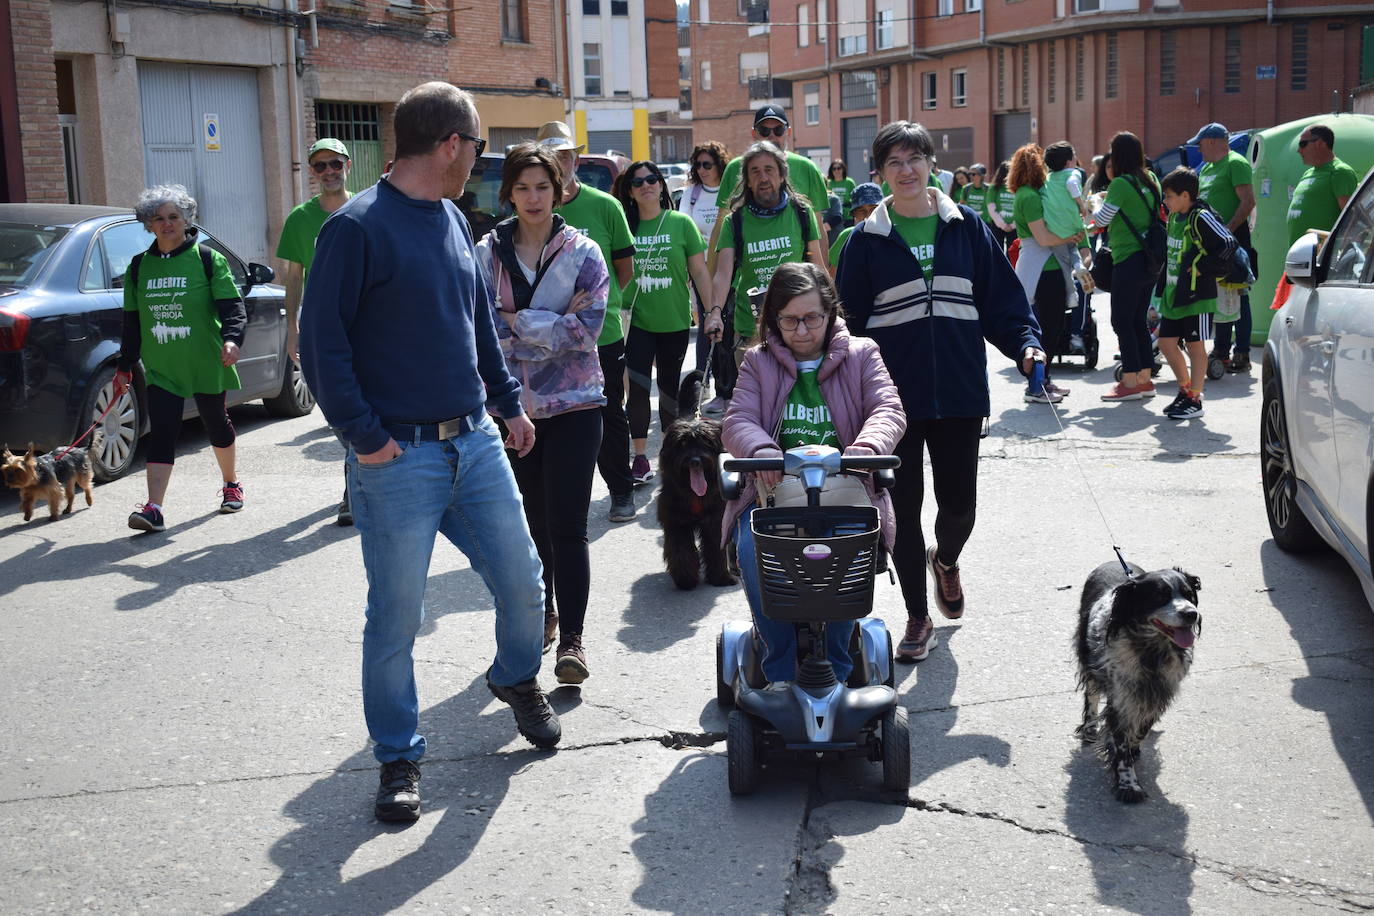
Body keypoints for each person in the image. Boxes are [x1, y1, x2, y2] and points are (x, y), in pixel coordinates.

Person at [299, 82, 561, 823]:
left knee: (521, 583)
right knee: (396, 618)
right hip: (397, 459)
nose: (480, 160)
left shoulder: (450, 218)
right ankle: (399, 757)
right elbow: (321, 347)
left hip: (473, 444)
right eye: (477, 146)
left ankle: (515, 677)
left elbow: (476, 323)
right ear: (451, 144)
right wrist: (365, 435)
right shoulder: (354, 229)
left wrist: (507, 405)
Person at [836, 121, 1046, 663]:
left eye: (914, 159)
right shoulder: (864, 242)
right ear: (879, 173)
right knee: (902, 512)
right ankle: (916, 615)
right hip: (890, 402)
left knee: (960, 507)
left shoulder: (966, 227)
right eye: (894, 163)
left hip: (957, 391)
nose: (906, 171)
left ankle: (945, 561)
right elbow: (849, 324)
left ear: (931, 163)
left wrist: (1027, 346)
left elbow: (1002, 300)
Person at [720, 262, 906, 685]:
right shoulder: (757, 362)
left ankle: (837, 668)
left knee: (847, 553)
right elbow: (737, 420)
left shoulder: (862, 354)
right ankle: (780, 668)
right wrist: (762, 449)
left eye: (812, 318)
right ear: (773, 319)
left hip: (844, 491)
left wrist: (867, 447)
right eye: (789, 320)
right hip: (773, 496)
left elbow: (888, 408)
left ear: (831, 313)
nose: (801, 331)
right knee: (754, 550)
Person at [476, 142, 609, 684]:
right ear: (508, 192)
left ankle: (573, 640)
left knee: (568, 526)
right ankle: (543, 613)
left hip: (577, 405)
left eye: (544, 187)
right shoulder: (485, 253)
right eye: (523, 187)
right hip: (512, 409)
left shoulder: (584, 252)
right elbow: (483, 330)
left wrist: (519, 321)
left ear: (560, 191)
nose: (533, 198)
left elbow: (590, 328)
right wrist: (548, 325)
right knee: (529, 528)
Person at [114, 184, 246, 533]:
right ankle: (154, 508)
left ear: (187, 220)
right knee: (162, 432)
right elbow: (132, 320)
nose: (167, 223)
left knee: (216, 423)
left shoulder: (206, 259)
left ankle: (231, 482)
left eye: (174, 216)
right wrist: (125, 364)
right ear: (148, 224)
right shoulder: (139, 266)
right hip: (163, 368)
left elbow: (232, 307)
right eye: (158, 218)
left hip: (206, 361)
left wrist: (232, 339)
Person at [534, 120, 639, 521]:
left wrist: (596, 303)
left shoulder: (605, 205)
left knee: (610, 413)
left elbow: (624, 270)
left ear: (576, 158)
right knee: (547, 416)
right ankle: (547, 502)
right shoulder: (533, 205)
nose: (561, 163)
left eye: (566, 155)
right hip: (544, 338)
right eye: (553, 156)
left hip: (602, 334)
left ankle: (621, 491)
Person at [613, 160, 713, 481]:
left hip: (674, 321)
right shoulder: (624, 225)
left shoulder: (681, 223)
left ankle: (672, 457)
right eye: (638, 182)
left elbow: (699, 271)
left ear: (661, 184)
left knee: (669, 390)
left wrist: (712, 312)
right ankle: (640, 458)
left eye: (652, 179)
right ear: (630, 190)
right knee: (639, 390)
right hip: (635, 321)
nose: (647, 185)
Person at [276, 137, 356, 524]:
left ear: (347, 165)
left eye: (334, 164)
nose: (328, 172)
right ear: (312, 172)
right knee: (336, 408)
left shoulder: (366, 207)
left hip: (364, 324)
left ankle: (353, 491)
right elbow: (294, 276)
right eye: (320, 166)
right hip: (320, 325)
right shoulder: (300, 218)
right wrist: (292, 328)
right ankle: (361, 476)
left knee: (363, 402)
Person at [704, 141, 827, 369]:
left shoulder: (801, 212)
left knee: (797, 402)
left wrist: (830, 313)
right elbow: (723, 274)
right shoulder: (735, 221)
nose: (763, 178)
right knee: (756, 403)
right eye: (755, 172)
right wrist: (715, 313)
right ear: (748, 181)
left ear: (781, 176)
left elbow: (818, 269)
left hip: (799, 329)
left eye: (769, 170)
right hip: (751, 332)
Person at [1008, 142, 1090, 404]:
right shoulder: (1029, 196)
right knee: (1048, 330)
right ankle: (1037, 385)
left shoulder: (1027, 194)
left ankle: (1043, 381)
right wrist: (1072, 236)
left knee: (1048, 329)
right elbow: (1043, 238)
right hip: (1044, 268)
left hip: (1043, 266)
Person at [1155, 167, 1236, 421]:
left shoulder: (1200, 216)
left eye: (1168, 196)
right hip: (1174, 294)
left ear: (1185, 195)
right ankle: (1185, 389)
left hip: (1196, 297)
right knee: (1167, 343)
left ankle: (1195, 398)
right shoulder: (1174, 218)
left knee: (1195, 346)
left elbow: (1228, 243)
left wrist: (1203, 268)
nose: (1165, 202)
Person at [1092, 131, 1164, 402]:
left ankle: (1131, 380)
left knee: (1122, 319)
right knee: (1137, 320)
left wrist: (1095, 205)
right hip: (1150, 260)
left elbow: (1102, 219)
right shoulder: (1151, 178)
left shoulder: (1121, 184)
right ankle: (1145, 379)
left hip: (1128, 258)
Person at [1192, 122, 1257, 375]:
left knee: (1239, 293)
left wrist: (1227, 231)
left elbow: (1248, 201)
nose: (1199, 148)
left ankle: (1242, 351)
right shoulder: (1207, 167)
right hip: (1210, 243)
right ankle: (1221, 349)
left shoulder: (1235, 163)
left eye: (1200, 143)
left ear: (1212, 141)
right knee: (1219, 295)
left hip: (1232, 239)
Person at [679, 141, 729, 393]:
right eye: (697, 165)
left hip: (729, 268)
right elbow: (685, 232)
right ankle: (703, 378)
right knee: (706, 323)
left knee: (727, 324)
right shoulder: (691, 195)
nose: (701, 170)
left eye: (707, 164)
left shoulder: (730, 192)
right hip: (702, 271)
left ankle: (725, 381)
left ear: (720, 164)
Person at [1287, 123, 1358, 245]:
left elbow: (1351, 220)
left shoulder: (1340, 172)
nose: (1299, 150)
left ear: (1320, 143)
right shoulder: (1308, 173)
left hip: (1321, 257)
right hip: (1300, 254)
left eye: (1303, 144)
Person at [828, 181, 883, 275]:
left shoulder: (894, 235)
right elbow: (833, 277)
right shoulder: (846, 236)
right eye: (861, 211)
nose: (868, 216)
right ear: (854, 215)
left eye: (873, 209)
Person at [986, 160, 1017, 252]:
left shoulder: (1018, 187)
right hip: (997, 225)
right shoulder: (994, 188)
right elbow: (991, 208)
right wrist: (1003, 225)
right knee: (996, 251)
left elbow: (1021, 209)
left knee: (1012, 252)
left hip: (1014, 226)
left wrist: (1013, 225)